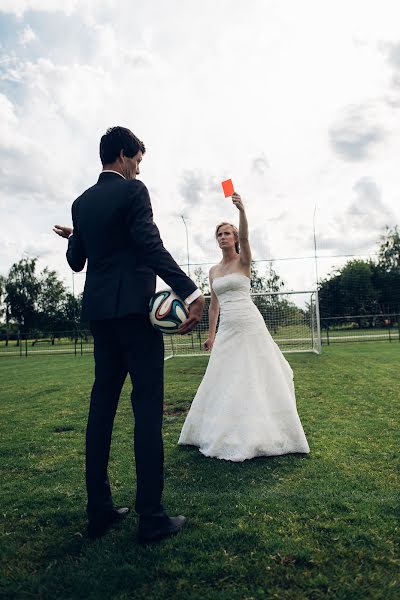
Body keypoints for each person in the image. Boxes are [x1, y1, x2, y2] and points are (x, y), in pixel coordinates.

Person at [54, 126, 204, 543]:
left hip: (101, 318)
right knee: (146, 409)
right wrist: (190, 291)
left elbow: (76, 262)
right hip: (137, 320)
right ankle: (151, 517)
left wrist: (75, 236)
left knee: (101, 410)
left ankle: (99, 510)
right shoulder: (133, 193)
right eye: (137, 159)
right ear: (123, 154)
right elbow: (149, 247)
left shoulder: (81, 203)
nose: (139, 167)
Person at [178, 192, 309, 461]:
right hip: (227, 327)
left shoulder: (244, 261)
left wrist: (242, 210)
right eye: (220, 234)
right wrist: (211, 335)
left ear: (235, 238)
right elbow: (213, 305)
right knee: (224, 376)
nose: (223, 237)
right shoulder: (213, 271)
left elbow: (248, 238)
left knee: (254, 374)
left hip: (249, 323)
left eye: (227, 233)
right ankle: (222, 430)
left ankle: (261, 430)